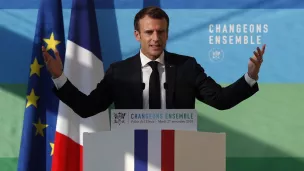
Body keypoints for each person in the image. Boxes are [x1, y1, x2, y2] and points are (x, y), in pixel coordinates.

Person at [42, 6, 266, 118]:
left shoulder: (187, 67)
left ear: (167, 34)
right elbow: (87, 108)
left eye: (161, 32)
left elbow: (221, 100)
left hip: (178, 155)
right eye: (149, 32)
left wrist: (251, 76)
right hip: (131, 156)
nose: (155, 38)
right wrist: (59, 76)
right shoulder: (118, 72)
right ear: (137, 35)